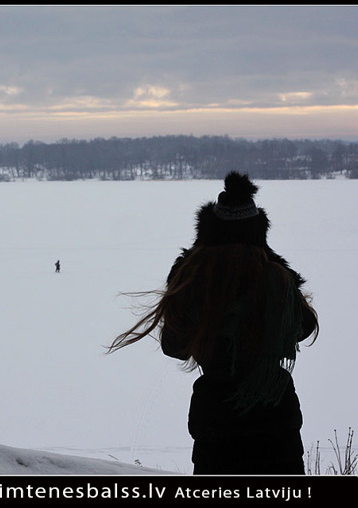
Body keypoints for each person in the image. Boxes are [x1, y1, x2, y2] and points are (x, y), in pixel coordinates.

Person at [108, 171, 319, 475]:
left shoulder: (193, 276)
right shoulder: (275, 276)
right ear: (258, 231)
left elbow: (175, 347)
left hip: (215, 420)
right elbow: (304, 328)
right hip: (275, 417)